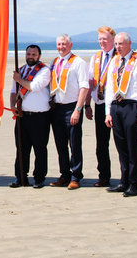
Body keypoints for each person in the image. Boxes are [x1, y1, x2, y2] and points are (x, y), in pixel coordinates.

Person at [105, 32, 137, 197]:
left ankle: (134, 184)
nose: (118, 47)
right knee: (121, 147)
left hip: (132, 106)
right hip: (116, 106)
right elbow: (110, 88)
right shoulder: (115, 61)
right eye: (116, 44)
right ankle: (123, 181)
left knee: (133, 147)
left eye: (121, 44)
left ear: (129, 43)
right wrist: (108, 112)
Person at [49, 34, 89, 190]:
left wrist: (78, 109)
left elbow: (84, 87)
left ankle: (76, 176)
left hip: (72, 107)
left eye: (64, 44)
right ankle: (64, 174)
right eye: (59, 44)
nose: (61, 47)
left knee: (74, 144)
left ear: (70, 45)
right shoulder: (55, 62)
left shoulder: (78, 62)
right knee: (60, 145)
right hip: (56, 108)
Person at [9, 44, 51, 189]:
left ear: (39, 56)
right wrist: (13, 106)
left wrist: (19, 80)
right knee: (21, 149)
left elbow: (34, 87)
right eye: (28, 54)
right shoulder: (21, 70)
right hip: (22, 116)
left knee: (39, 149)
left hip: (40, 117)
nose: (30, 57)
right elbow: (14, 91)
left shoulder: (44, 71)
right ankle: (20, 177)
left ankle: (39, 178)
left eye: (33, 54)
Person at [84, 26, 117, 187]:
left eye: (105, 39)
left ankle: (127, 178)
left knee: (120, 142)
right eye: (100, 39)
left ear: (113, 40)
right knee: (101, 144)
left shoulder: (119, 56)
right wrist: (87, 104)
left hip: (117, 105)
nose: (102, 42)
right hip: (100, 104)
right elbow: (90, 81)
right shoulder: (96, 57)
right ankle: (104, 176)